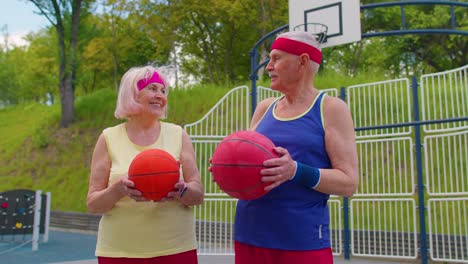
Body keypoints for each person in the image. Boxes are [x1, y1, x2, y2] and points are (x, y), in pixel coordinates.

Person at [234, 31, 359, 264]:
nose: (269, 66)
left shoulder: (330, 108)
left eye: (276, 58)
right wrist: (229, 168)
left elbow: (349, 182)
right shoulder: (264, 108)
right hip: (249, 234)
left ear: (302, 61)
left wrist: (295, 171)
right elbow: (248, 165)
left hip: (301, 241)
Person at [86, 65, 204, 264]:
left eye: (163, 91)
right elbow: (93, 204)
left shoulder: (178, 134)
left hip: (175, 249)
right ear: (132, 94)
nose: (160, 95)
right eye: (152, 89)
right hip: (120, 252)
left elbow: (198, 195)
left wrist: (182, 190)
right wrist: (118, 189)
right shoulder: (109, 138)